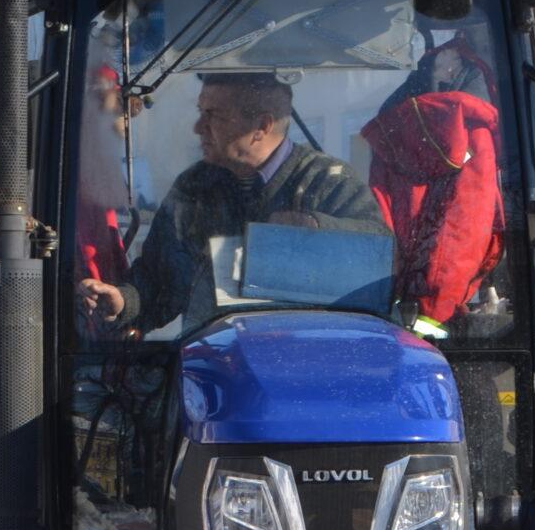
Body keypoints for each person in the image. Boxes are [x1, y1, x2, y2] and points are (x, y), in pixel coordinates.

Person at [78, 71, 384, 335]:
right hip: (212, 363)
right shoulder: (195, 187)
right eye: (201, 112)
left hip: (304, 360)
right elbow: (161, 279)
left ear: (261, 126)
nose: (198, 127)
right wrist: (124, 301)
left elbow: (378, 258)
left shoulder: (327, 182)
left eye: (213, 115)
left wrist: (315, 229)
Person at [358, 28, 505, 330]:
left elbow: (382, 215)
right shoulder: (474, 127)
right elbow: (463, 227)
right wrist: (433, 314)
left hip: (390, 302)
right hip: (437, 317)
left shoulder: (398, 120)